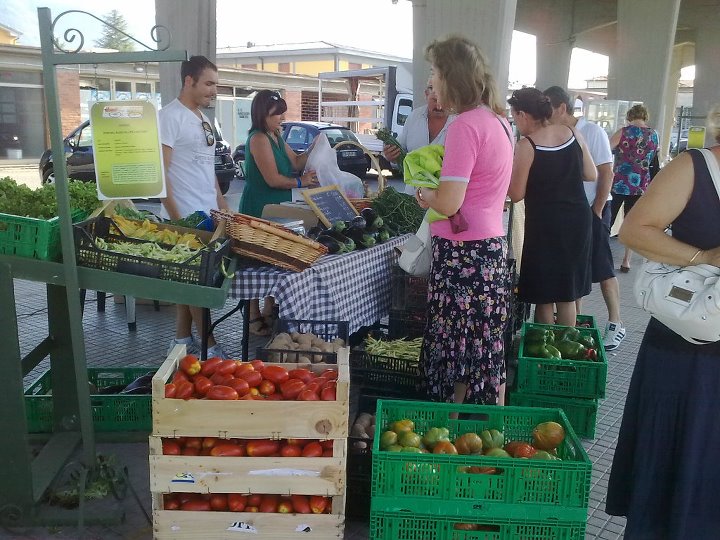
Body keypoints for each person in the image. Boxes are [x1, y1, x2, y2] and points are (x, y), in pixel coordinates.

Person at [605, 104, 720, 539]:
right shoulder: (696, 167)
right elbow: (634, 230)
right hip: (685, 354)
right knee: (667, 486)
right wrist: (704, 257)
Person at [414, 35, 513, 406]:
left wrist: (426, 194)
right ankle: (484, 427)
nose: (432, 81)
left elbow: (449, 201)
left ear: (450, 77)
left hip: (462, 254)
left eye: (435, 72)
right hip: (489, 248)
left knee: (453, 347)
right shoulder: (499, 121)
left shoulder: (464, 126)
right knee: (482, 345)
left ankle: (449, 429)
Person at [544, 86, 626, 351]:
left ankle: (616, 322)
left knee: (602, 267)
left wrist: (597, 210)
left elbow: (606, 172)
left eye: (548, 107)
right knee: (577, 269)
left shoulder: (592, 131)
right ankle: (576, 322)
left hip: (593, 209)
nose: (544, 114)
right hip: (573, 214)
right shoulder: (557, 133)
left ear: (561, 108)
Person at [507, 87, 597, 327]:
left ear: (523, 115)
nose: (516, 123)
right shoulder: (573, 133)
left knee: (543, 292)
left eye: (515, 117)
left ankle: (545, 346)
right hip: (578, 220)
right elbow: (591, 174)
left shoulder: (527, 145)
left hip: (545, 224)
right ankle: (566, 345)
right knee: (566, 292)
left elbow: (516, 194)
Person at [160, 55, 229, 359]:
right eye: (209, 84)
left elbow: (208, 170)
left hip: (208, 214)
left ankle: (180, 342)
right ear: (189, 81)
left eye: (216, 84)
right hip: (185, 216)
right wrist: (178, 222)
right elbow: (160, 174)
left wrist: (222, 206)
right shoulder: (168, 117)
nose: (214, 90)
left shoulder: (203, 118)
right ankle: (210, 348)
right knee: (195, 286)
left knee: (187, 283)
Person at [238, 89, 319, 335]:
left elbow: (296, 162)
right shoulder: (258, 139)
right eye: (277, 114)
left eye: (282, 113)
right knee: (254, 261)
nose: (282, 118)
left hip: (278, 206)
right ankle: (252, 315)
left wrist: (316, 147)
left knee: (273, 259)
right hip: (259, 206)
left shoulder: (276, 136)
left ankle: (268, 310)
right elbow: (272, 179)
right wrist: (301, 182)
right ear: (262, 114)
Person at [608, 104, 659, 272]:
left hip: (619, 183)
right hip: (641, 185)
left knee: (608, 220)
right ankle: (626, 261)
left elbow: (606, 150)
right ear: (645, 116)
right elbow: (653, 159)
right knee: (630, 223)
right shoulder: (653, 135)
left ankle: (601, 256)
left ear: (630, 116)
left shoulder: (624, 132)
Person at [382, 79, 456, 194]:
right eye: (435, 100)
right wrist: (390, 154)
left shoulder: (458, 123)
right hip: (412, 195)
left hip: (444, 196)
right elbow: (400, 150)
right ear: (426, 95)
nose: (439, 106)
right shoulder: (414, 117)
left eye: (444, 101)